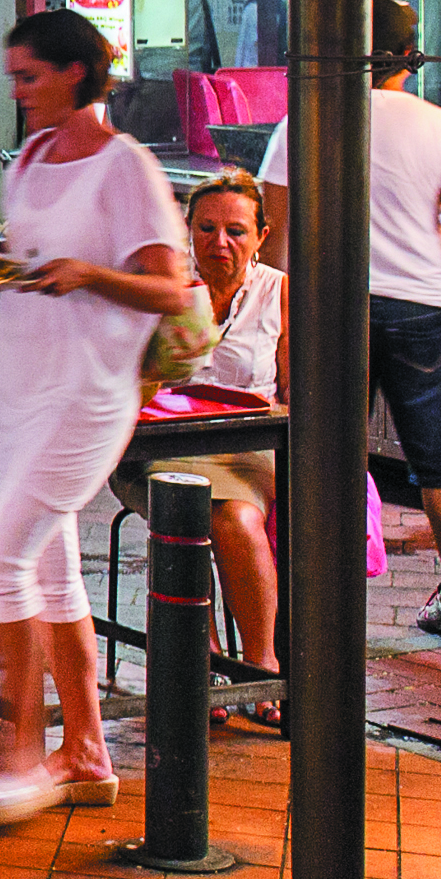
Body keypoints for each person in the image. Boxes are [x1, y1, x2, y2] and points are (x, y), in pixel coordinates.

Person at [0, 9, 188, 821]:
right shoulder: (29, 157)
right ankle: (87, 753)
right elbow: (12, 262)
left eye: (29, 77)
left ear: (76, 74)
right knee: (51, 575)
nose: (16, 92)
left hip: (89, 396)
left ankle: (21, 752)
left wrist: (88, 274)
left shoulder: (124, 168)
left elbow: (171, 289)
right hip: (22, 387)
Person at [260, 0, 441, 644]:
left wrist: (276, 321)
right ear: (410, 56)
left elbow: (272, 237)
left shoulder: (304, 121)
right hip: (422, 307)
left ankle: (311, 595)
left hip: (330, 306)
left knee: (323, 453)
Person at [158, 172, 287, 690]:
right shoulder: (164, 287)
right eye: (207, 228)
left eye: (236, 230)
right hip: (162, 446)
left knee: (235, 518)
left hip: (245, 448)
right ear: (188, 230)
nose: (220, 243)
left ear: (261, 234)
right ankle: (202, 660)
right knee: (181, 510)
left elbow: (298, 394)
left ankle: (261, 667)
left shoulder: (279, 292)